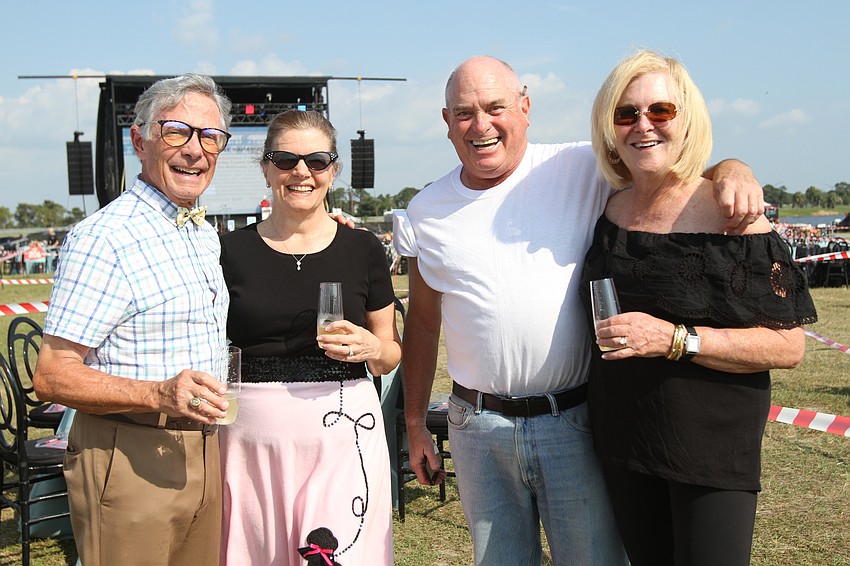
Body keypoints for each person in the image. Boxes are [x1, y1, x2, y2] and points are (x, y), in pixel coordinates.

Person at [392, 55, 765, 565]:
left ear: (525, 107)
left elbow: (666, 166)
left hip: (573, 422)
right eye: (464, 113)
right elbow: (423, 322)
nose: (481, 126)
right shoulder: (426, 209)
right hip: (476, 430)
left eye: (495, 107)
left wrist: (732, 169)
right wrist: (416, 422)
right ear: (446, 121)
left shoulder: (580, 168)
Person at [579, 50, 817, 566]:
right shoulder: (607, 205)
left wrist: (674, 339)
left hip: (709, 451)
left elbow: (787, 344)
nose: (644, 125)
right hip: (623, 442)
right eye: (626, 113)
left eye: (661, 111)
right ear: (609, 127)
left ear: (688, 120)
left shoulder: (733, 215)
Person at [33, 73, 233, 566]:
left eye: (210, 137)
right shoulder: (104, 238)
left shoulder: (202, 234)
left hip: (206, 448)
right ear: (139, 140)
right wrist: (156, 394)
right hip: (130, 453)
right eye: (177, 132)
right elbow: (52, 374)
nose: (195, 150)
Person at [218, 109, 401, 565]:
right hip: (249, 443)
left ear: (334, 171)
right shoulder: (227, 251)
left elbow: (390, 352)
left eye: (318, 161)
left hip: (345, 435)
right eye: (286, 159)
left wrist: (374, 348)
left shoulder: (363, 250)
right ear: (265, 168)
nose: (302, 172)